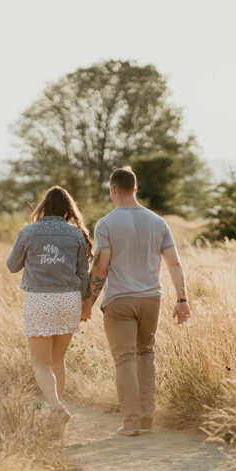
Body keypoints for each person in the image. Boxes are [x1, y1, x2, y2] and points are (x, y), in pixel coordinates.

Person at [81, 166, 191, 436]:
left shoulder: (106, 224)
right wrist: (182, 298)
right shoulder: (158, 222)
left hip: (120, 300)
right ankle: (146, 416)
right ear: (136, 189)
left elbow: (100, 267)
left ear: (113, 191)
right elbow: (174, 262)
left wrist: (87, 303)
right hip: (151, 298)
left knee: (125, 359)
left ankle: (130, 423)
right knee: (146, 354)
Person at [6, 186, 93, 434]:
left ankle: (56, 408)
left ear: (43, 207)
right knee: (58, 361)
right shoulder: (76, 235)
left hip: (41, 301)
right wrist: (84, 303)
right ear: (68, 209)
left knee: (40, 364)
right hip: (69, 300)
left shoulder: (28, 232)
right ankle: (57, 420)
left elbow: (12, 266)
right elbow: (82, 274)